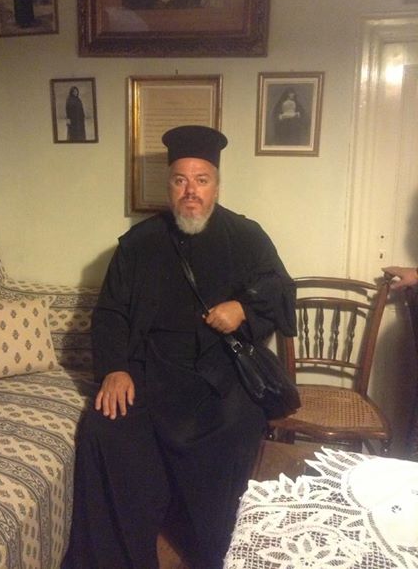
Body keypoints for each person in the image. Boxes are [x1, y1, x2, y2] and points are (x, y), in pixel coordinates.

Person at [62, 125, 296, 569]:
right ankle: (123, 559)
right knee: (103, 427)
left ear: (216, 186)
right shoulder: (138, 244)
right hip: (151, 372)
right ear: (169, 186)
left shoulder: (246, 236)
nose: (191, 192)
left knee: (239, 422)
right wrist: (115, 369)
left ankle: (216, 546)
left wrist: (243, 309)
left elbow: (281, 290)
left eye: (201, 180)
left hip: (220, 374)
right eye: (180, 180)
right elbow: (110, 313)